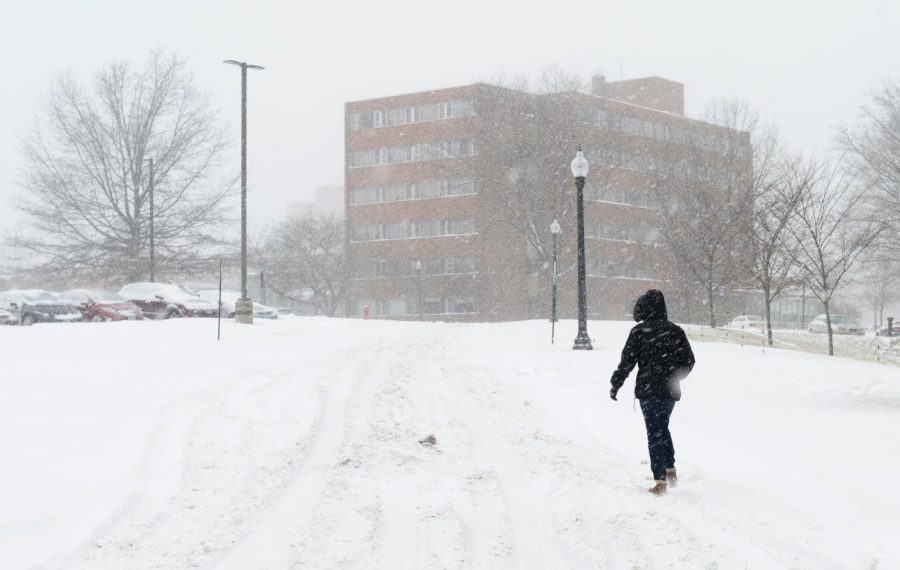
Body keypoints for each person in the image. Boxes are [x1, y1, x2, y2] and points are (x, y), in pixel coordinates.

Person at [609, 289, 695, 495]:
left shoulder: (639, 332)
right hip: (669, 392)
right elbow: (689, 361)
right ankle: (670, 470)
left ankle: (660, 481)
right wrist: (673, 376)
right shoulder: (675, 331)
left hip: (648, 391)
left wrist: (616, 383)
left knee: (655, 433)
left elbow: (627, 362)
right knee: (662, 428)